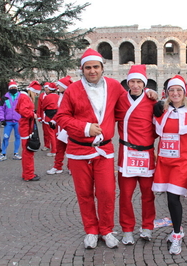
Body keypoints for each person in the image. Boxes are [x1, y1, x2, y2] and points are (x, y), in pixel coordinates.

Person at [54, 48, 128, 249]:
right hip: (79, 150)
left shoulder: (113, 86)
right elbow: (61, 117)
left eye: (96, 67)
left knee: (106, 191)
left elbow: (126, 108)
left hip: (104, 150)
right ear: (82, 69)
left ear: (103, 68)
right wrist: (85, 128)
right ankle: (91, 230)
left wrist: (148, 94)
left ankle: (106, 229)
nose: (92, 71)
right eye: (88, 68)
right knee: (84, 193)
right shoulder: (73, 90)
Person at [152, 75, 187, 255]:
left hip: (182, 163)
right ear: (167, 93)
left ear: (184, 92)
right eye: (172, 90)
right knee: (169, 198)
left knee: (173, 199)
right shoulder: (163, 112)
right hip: (164, 162)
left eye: (179, 90)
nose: (175, 93)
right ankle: (177, 229)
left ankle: (177, 234)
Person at [115, 65, 157, 245]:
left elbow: (159, 126)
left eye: (139, 82)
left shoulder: (153, 102)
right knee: (125, 195)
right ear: (127, 82)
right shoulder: (120, 100)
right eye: (132, 81)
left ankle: (147, 227)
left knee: (148, 194)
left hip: (146, 153)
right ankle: (127, 230)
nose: (135, 85)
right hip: (126, 153)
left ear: (144, 83)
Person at [46, 76, 73, 175]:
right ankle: (57, 166)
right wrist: (54, 120)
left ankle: (71, 167)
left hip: (68, 127)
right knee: (60, 148)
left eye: (59, 85)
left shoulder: (70, 96)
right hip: (61, 127)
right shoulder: (61, 96)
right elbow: (60, 112)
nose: (57, 86)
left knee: (70, 148)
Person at [15, 88, 40, 182]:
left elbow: (17, 109)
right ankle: (29, 175)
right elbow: (23, 111)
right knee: (28, 151)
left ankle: (26, 173)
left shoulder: (22, 96)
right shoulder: (25, 97)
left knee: (27, 151)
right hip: (26, 127)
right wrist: (32, 114)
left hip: (25, 125)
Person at [0, 80, 22, 162]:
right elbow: (0, 109)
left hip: (18, 121)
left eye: (15, 87)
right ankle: (3, 154)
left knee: (18, 137)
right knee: (5, 137)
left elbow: (24, 107)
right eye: (12, 87)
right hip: (8, 121)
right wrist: (2, 119)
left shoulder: (21, 96)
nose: (13, 89)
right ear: (9, 88)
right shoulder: (5, 97)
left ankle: (16, 153)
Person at [41, 82, 59, 157]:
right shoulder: (58, 96)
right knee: (56, 134)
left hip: (49, 116)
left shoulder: (47, 97)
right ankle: (57, 149)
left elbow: (43, 106)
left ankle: (54, 150)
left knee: (51, 134)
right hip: (57, 116)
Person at [37, 83, 52, 151]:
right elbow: (39, 107)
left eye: (48, 88)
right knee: (45, 133)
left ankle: (54, 146)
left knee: (51, 133)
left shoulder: (53, 95)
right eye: (45, 87)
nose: (47, 89)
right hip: (44, 117)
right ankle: (47, 145)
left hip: (51, 117)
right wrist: (39, 116)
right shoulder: (42, 96)